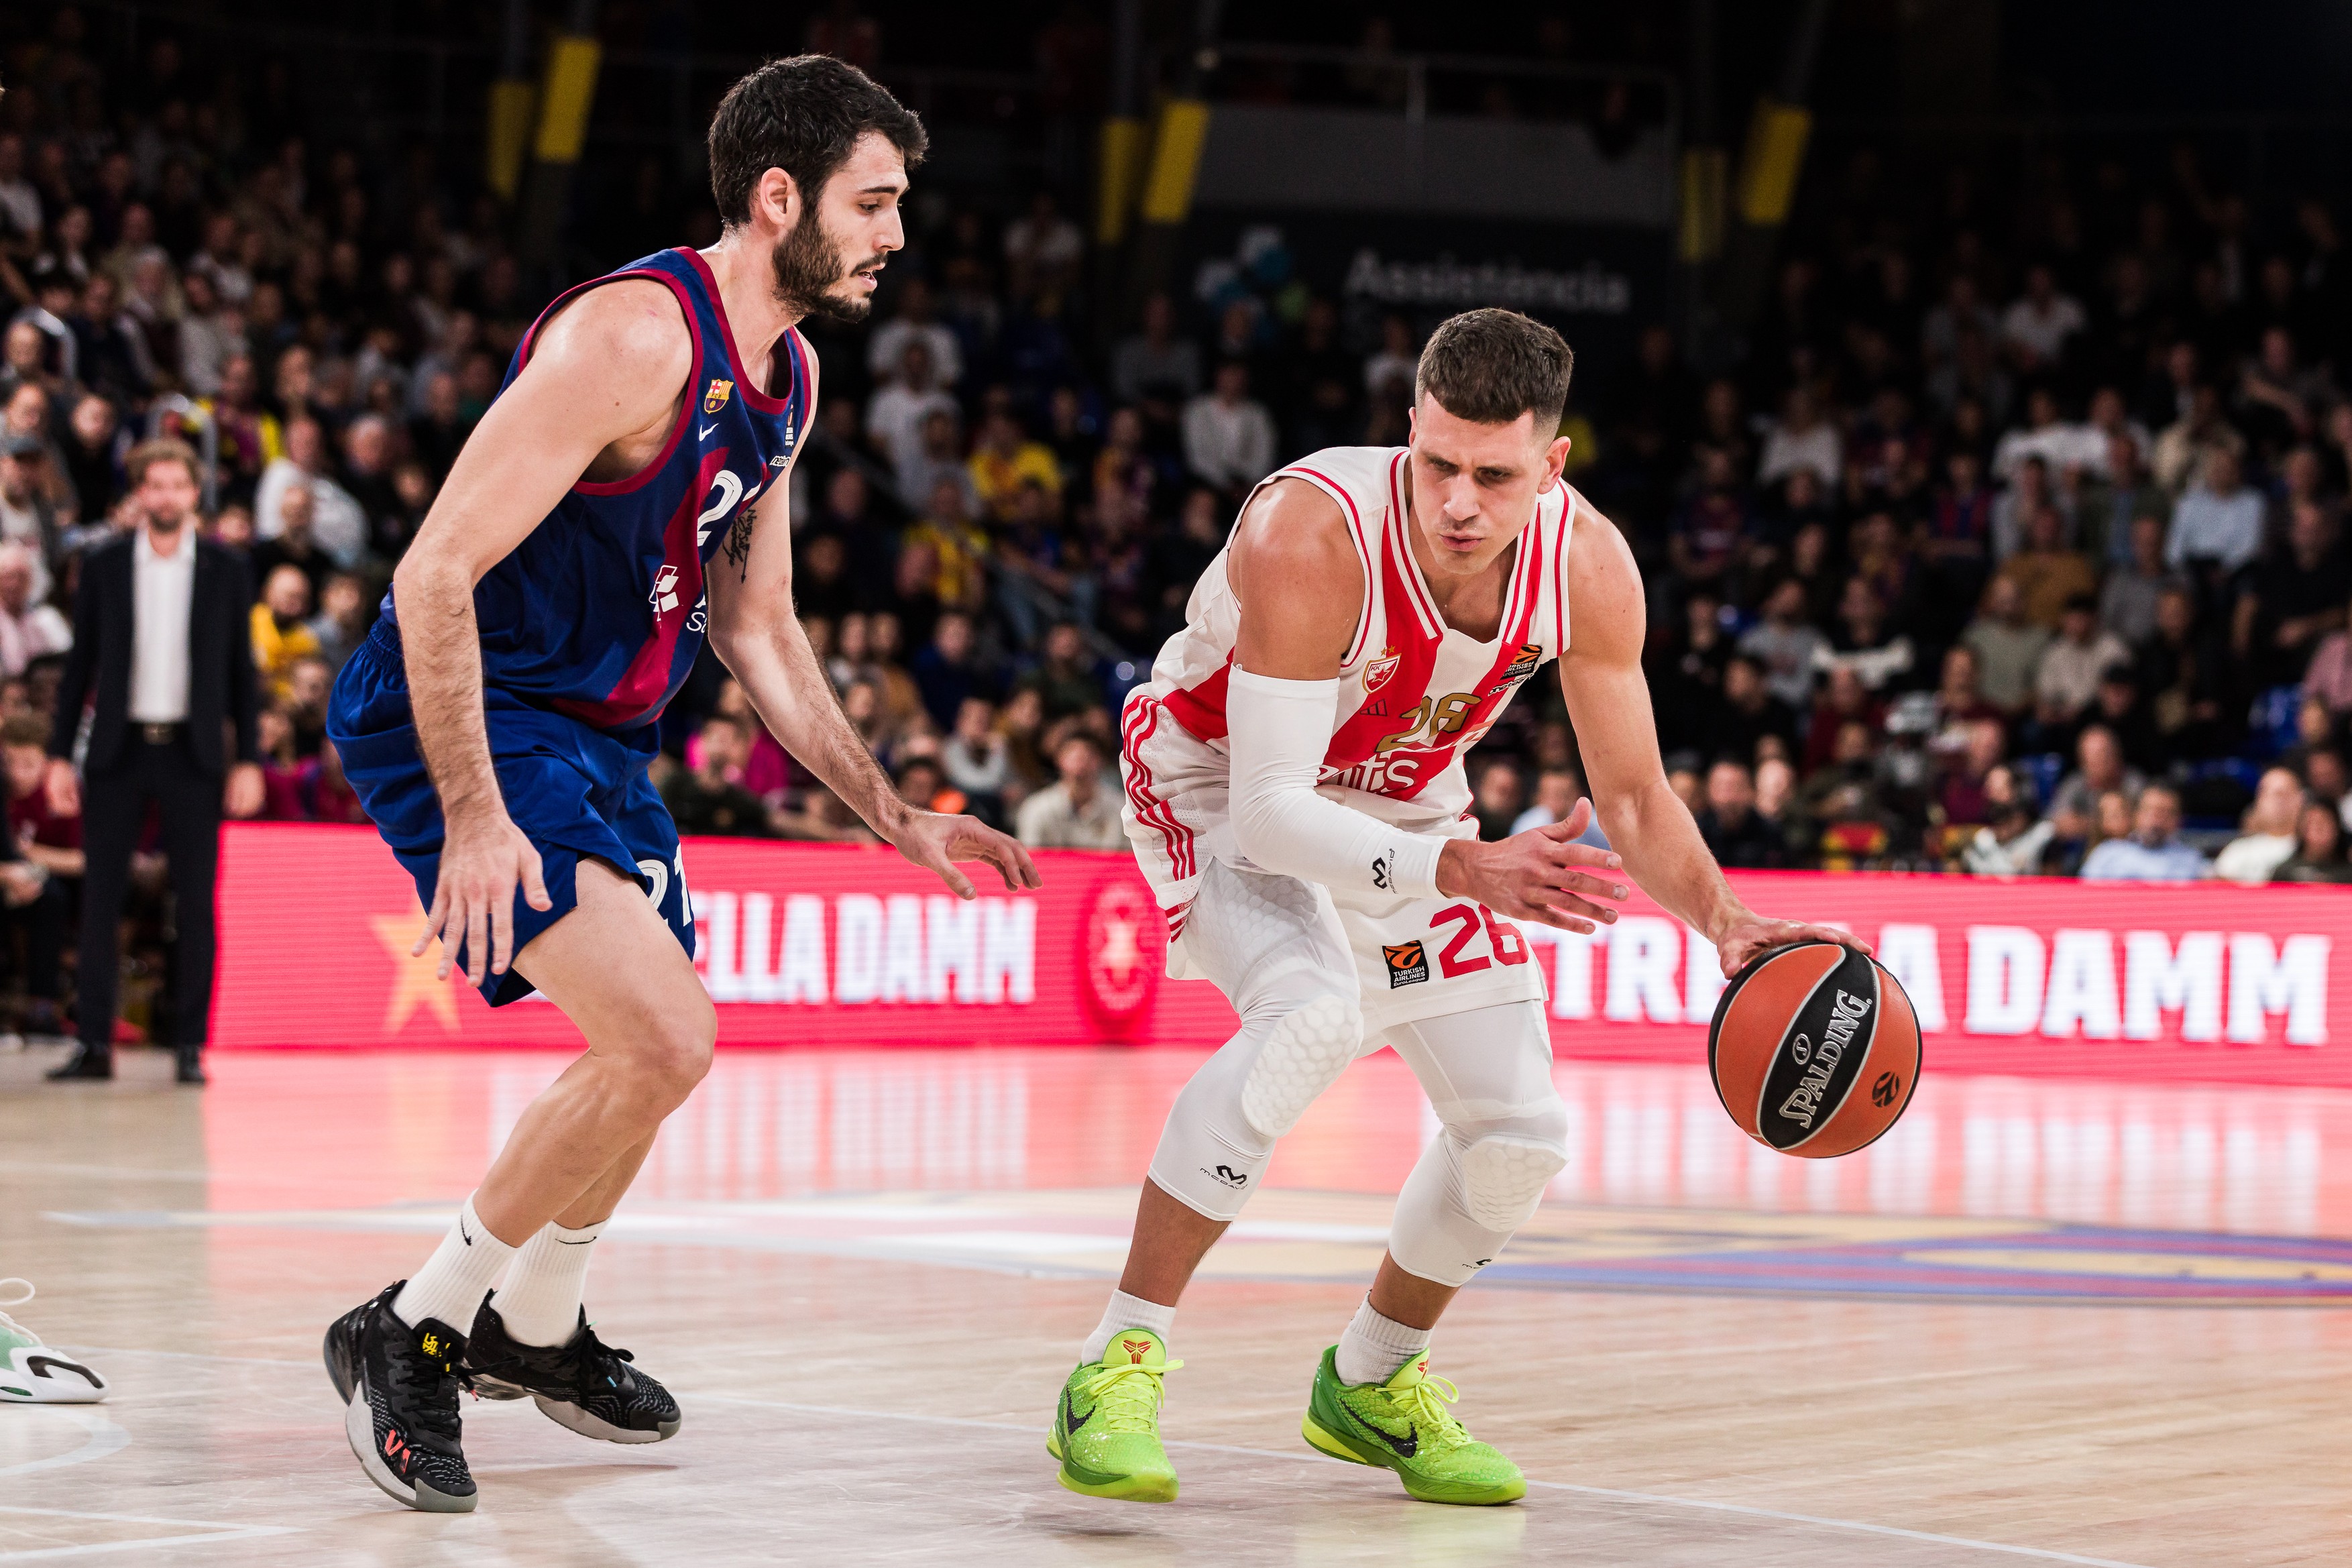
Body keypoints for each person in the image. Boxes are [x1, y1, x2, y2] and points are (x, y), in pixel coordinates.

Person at [319, 58, 1038, 1516]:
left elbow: (758, 625)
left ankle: (536, 1322)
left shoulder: (796, 375)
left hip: (600, 730)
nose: (898, 232)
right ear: (779, 199)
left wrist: (890, 808)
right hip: (469, 702)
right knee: (664, 1034)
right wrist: (472, 812)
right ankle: (416, 1325)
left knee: (648, 1060)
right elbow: (431, 570)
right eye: (874, 201)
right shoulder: (633, 339)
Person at [1075, 309, 1857, 1508]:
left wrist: (1727, 923)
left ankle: (1373, 1380)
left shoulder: (1587, 564)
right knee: (1311, 1014)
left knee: (1520, 1131)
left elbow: (1636, 794)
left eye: (1493, 475)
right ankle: (1113, 1361)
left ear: (1550, 467)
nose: (1456, 500)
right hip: (1219, 783)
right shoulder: (1310, 528)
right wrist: (1462, 867)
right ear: (1408, 432)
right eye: (1436, 462)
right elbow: (1280, 811)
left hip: (1403, 810)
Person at [42, 440, 263, 1084]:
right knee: (102, 898)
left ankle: (190, 1046)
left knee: (195, 902)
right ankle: (93, 1043)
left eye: (176, 485)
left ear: (196, 494)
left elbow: (240, 675)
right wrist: (59, 755)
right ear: (139, 493)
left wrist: (248, 757)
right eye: (154, 485)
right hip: (117, 749)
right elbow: (79, 665)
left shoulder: (226, 568)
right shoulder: (105, 562)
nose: (165, 496)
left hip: (192, 754)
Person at [1013, 730, 1122, 850]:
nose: (1081, 761)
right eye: (1073, 754)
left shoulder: (1121, 808)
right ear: (1059, 759)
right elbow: (1030, 857)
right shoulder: (1036, 808)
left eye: (1088, 754)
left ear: (1100, 760)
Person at [2079, 784, 2209, 881]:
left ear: (2177, 821)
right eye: (2150, 811)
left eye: (2165, 813)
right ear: (2137, 815)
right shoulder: (2108, 853)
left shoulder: (2191, 860)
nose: (2156, 820)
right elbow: (2084, 897)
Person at [2213, 765, 2305, 885]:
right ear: (2259, 801)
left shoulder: (2313, 852)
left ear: (2300, 799)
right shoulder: (2237, 851)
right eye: (2272, 794)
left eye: (2285, 794)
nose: (2279, 801)